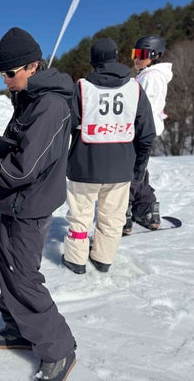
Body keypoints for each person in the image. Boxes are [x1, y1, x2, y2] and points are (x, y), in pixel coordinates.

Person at [0, 27, 77, 381]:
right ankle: (19, 328)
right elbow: (18, 149)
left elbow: (23, 168)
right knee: (6, 269)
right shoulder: (29, 97)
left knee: (23, 278)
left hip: (29, 206)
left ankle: (59, 349)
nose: (5, 80)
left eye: (10, 73)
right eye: (1, 74)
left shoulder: (50, 106)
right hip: (12, 202)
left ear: (32, 66)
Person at [62, 39, 156, 275]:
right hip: (121, 168)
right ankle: (103, 258)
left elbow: (66, 127)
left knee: (80, 216)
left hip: (84, 165)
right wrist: (138, 169)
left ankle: (76, 259)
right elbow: (146, 134)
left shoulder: (81, 87)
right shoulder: (135, 88)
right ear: (115, 57)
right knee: (113, 218)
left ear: (93, 61)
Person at [124, 35, 173, 234]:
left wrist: (135, 130)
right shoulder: (146, 75)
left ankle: (123, 214)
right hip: (141, 131)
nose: (137, 58)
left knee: (130, 173)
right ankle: (145, 210)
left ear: (155, 55)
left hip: (141, 131)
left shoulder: (152, 77)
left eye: (142, 54)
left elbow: (147, 108)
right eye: (134, 53)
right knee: (139, 172)